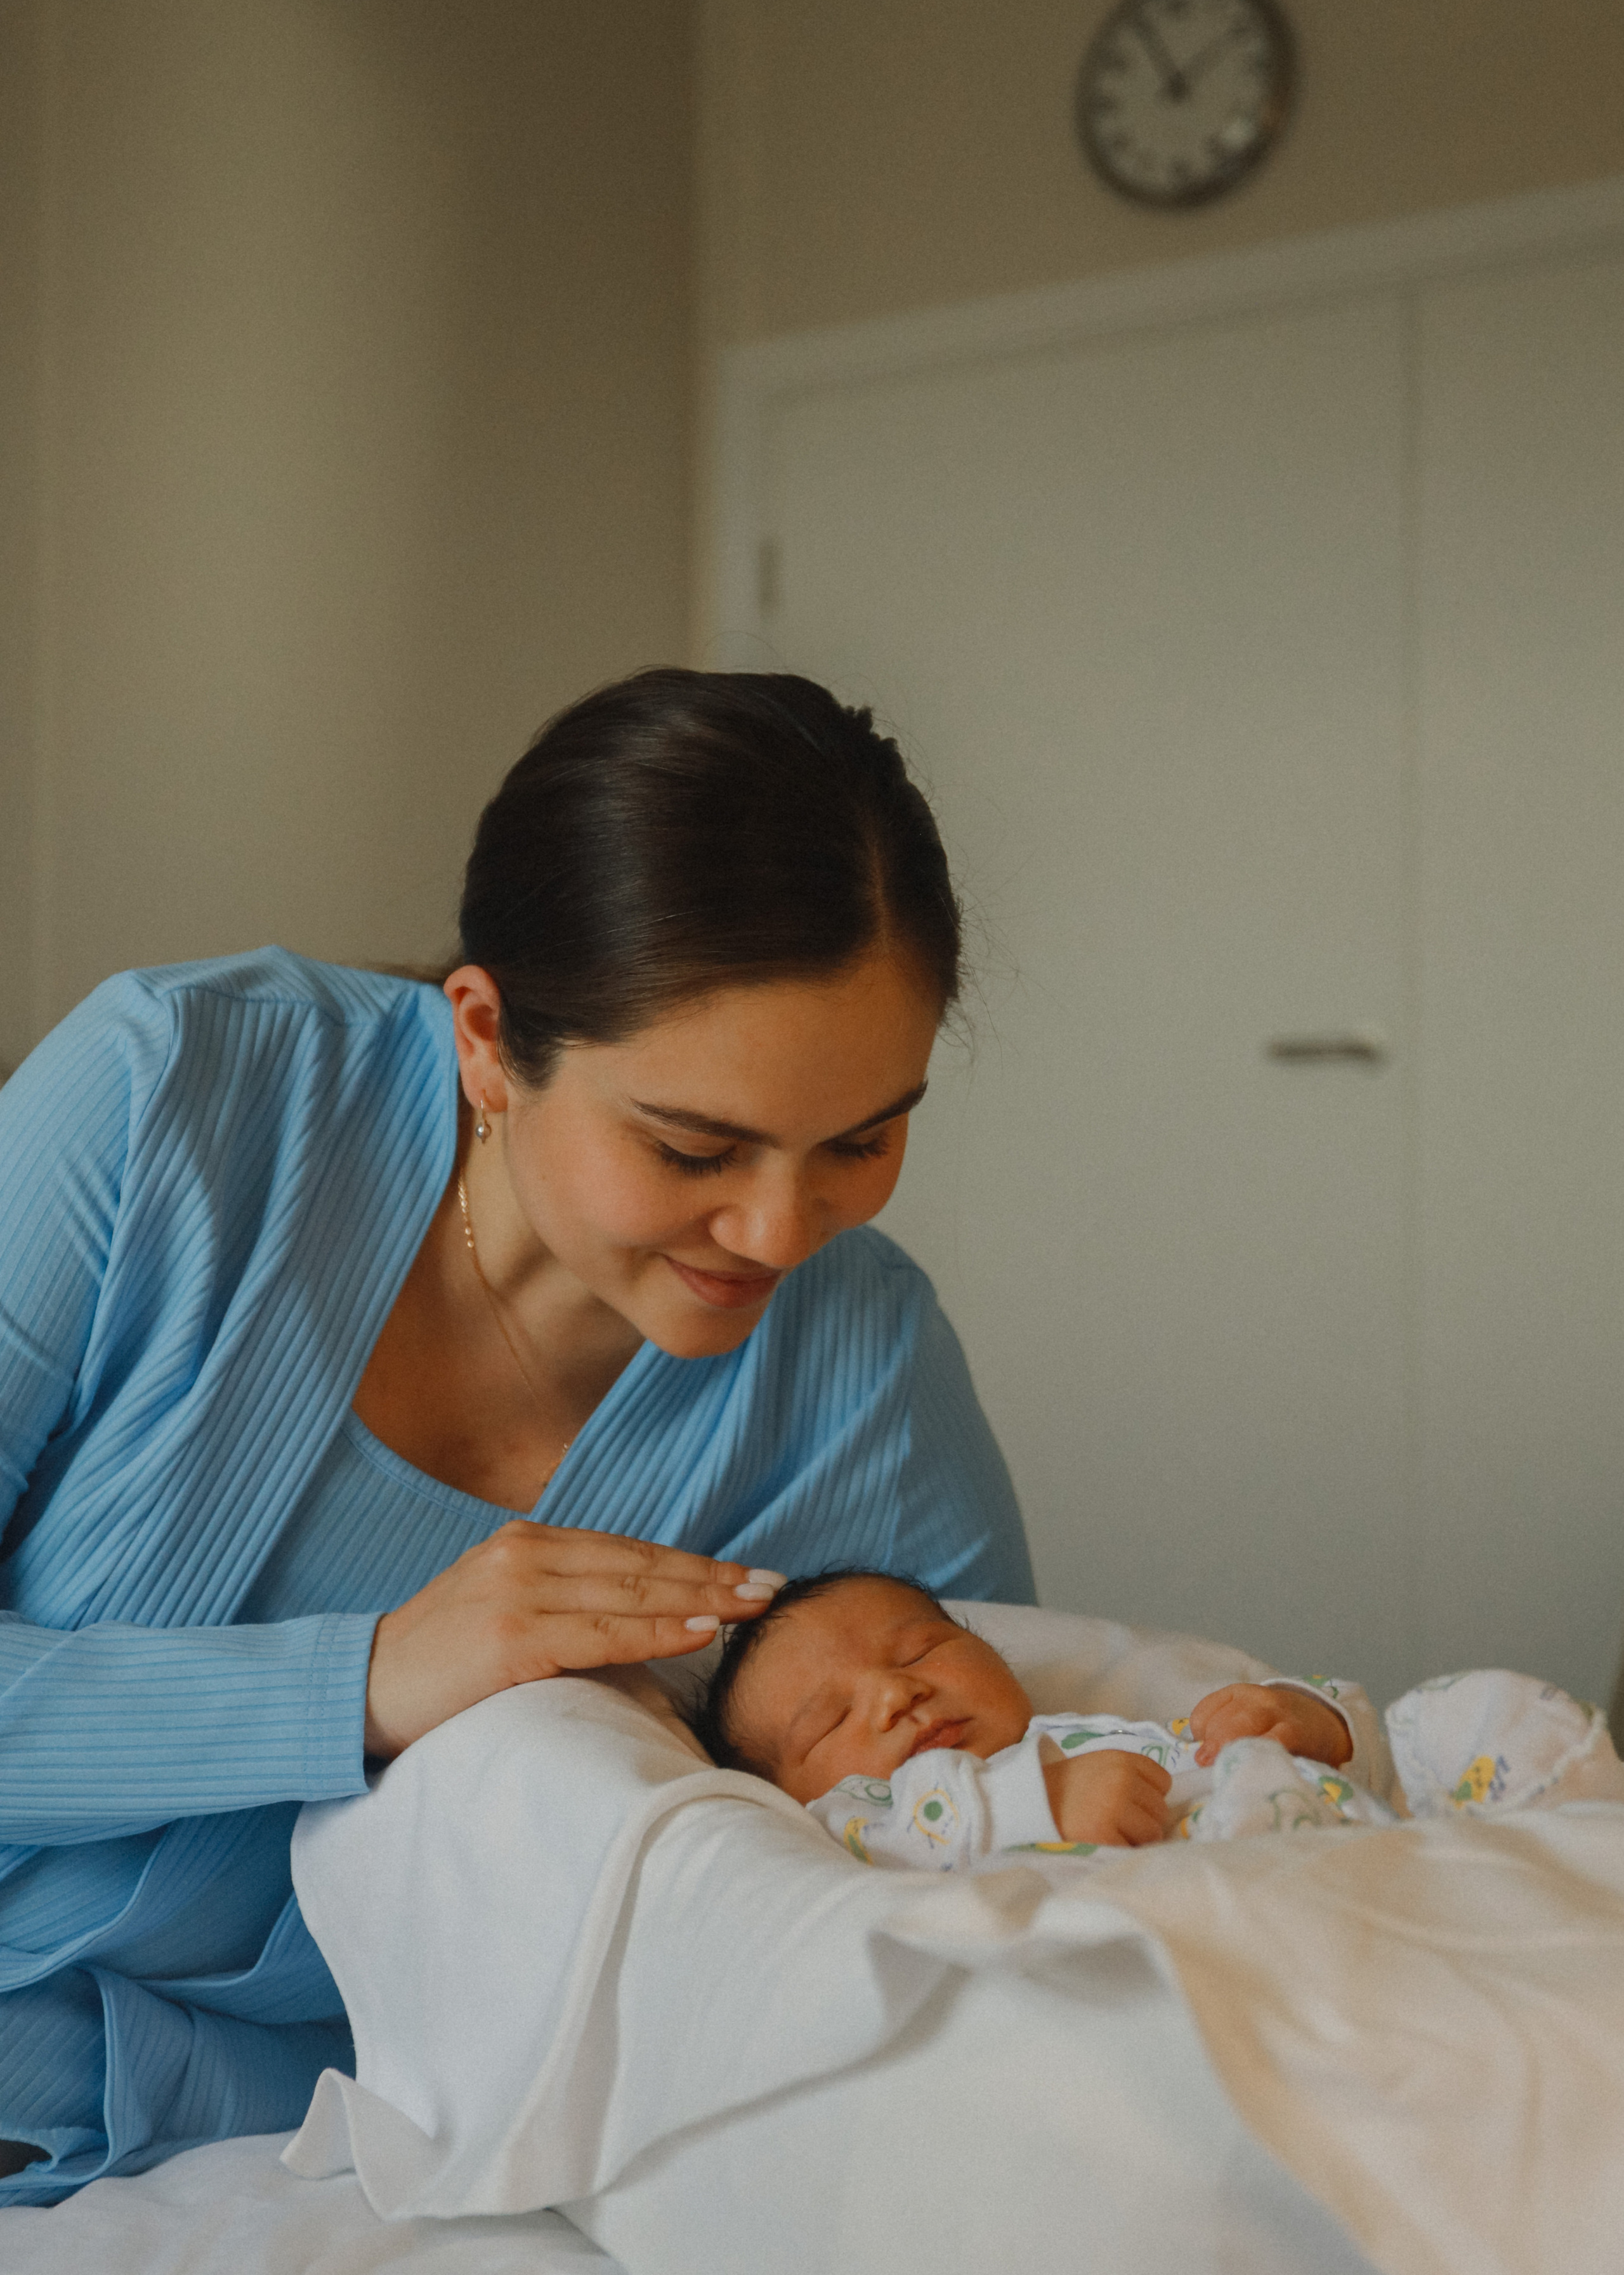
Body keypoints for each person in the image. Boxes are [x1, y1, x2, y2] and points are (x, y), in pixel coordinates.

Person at [0, 670, 1033, 2200]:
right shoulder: (176, 1102)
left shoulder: (868, 1376)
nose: (776, 1228)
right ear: (485, 1036)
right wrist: (362, 1681)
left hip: (380, 2156)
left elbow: (1009, 1828)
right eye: (693, 1146)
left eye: (862, 1141)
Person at [690, 1570, 1624, 1868]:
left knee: (1462, 1715)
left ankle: (1579, 1839)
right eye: (832, 1717)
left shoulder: (1101, 1728)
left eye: (921, 1650)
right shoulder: (860, 1822)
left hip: (1361, 1832)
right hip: (1245, 1900)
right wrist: (1041, 1806)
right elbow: (895, 1837)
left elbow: (1359, 1768)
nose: (897, 1695)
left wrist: (1303, 1722)